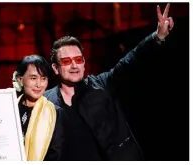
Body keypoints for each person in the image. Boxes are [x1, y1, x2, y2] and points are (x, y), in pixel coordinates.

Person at [43, 3, 174, 160]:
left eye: (78, 59)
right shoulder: (45, 102)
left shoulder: (102, 84)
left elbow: (131, 60)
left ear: (84, 63)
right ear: (56, 68)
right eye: (66, 61)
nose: (74, 65)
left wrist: (157, 37)